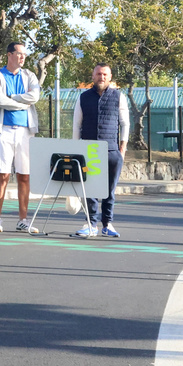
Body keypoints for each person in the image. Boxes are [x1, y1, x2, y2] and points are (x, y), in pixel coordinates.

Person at [0, 42, 41, 234]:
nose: (22, 57)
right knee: (3, 175)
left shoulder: (30, 76)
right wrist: (21, 102)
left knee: (24, 176)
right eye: (19, 54)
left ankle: (23, 220)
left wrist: (13, 98)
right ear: (9, 54)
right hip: (3, 131)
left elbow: (34, 97)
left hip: (25, 131)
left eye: (25, 54)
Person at [72, 63, 129, 238]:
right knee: (89, 189)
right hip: (88, 151)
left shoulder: (119, 97)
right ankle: (91, 224)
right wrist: (76, 149)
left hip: (112, 151)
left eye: (105, 74)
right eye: (98, 74)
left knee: (109, 190)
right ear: (93, 76)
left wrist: (122, 148)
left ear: (110, 77)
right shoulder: (83, 97)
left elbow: (125, 123)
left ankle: (107, 224)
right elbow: (77, 125)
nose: (101, 77)